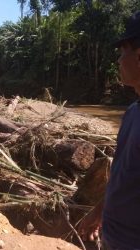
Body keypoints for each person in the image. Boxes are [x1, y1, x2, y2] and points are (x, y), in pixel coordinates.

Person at [77, 11, 140, 250]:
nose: (118, 60)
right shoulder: (133, 111)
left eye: (123, 51)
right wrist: (100, 211)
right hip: (114, 239)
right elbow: (123, 177)